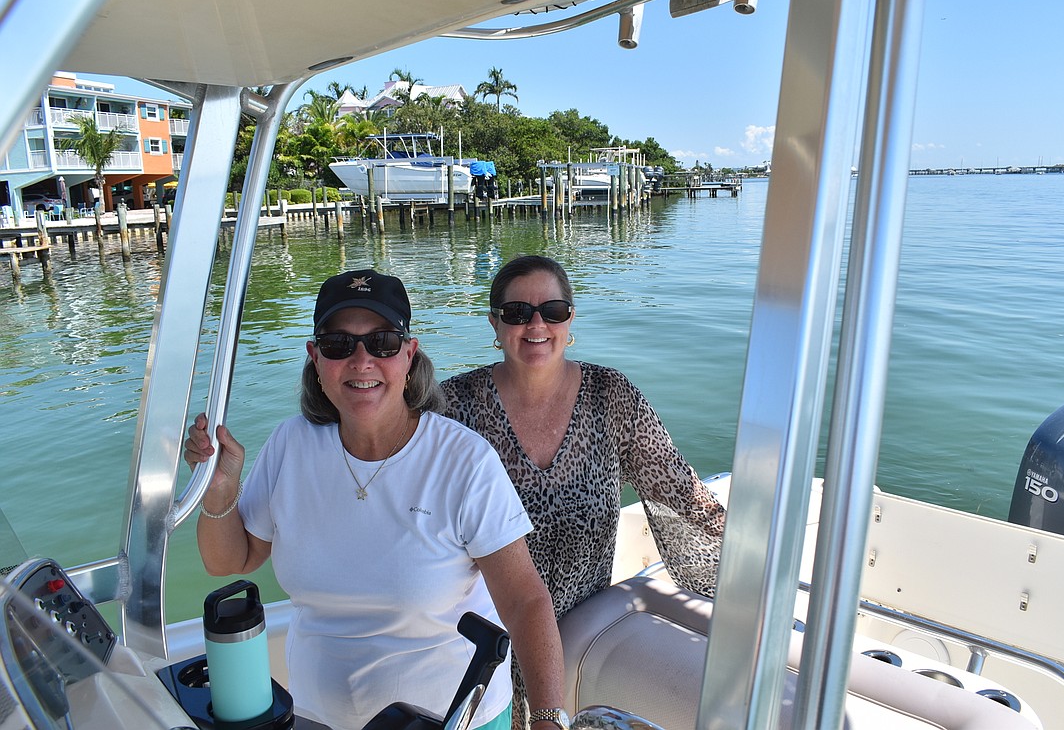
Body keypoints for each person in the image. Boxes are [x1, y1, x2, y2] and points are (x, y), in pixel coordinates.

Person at [185, 269, 565, 730]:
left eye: (382, 342)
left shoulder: (464, 461)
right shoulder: (290, 445)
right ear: (315, 358)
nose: (362, 361)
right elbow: (231, 560)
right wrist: (220, 491)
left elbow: (526, 601)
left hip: (450, 719)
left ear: (409, 354)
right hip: (314, 715)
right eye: (338, 344)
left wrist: (548, 719)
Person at [440, 255, 726, 727]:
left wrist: (748, 547)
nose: (536, 324)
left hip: (580, 639)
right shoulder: (454, 407)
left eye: (551, 310)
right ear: (494, 322)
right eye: (517, 313)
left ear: (570, 318)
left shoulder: (610, 395)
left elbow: (678, 487)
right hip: (484, 642)